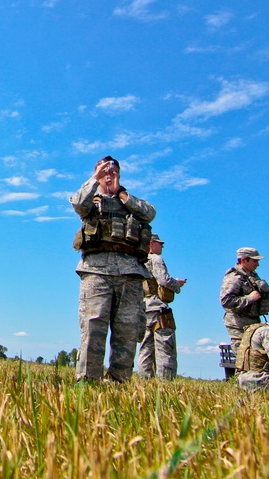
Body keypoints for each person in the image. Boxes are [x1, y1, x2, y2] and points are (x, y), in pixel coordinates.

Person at [70, 155, 155, 382]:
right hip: (97, 272)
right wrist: (94, 178)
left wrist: (122, 194)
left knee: (127, 331)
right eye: (104, 171)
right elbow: (77, 203)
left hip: (130, 274)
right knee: (93, 327)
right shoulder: (91, 199)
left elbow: (150, 213)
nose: (109, 175)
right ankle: (87, 382)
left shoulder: (130, 202)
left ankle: (119, 382)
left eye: (113, 171)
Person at [136, 234, 186, 380]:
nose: (162, 246)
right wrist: (177, 284)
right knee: (165, 347)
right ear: (151, 244)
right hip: (158, 308)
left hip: (144, 308)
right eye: (159, 243)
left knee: (145, 348)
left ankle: (143, 382)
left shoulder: (138, 261)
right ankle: (167, 383)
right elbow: (164, 280)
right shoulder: (156, 259)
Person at [220, 247, 269, 356]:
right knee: (244, 357)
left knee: (256, 357)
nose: (257, 264)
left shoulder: (251, 276)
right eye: (255, 261)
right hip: (239, 324)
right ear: (244, 260)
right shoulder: (234, 277)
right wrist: (250, 298)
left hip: (253, 322)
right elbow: (226, 301)